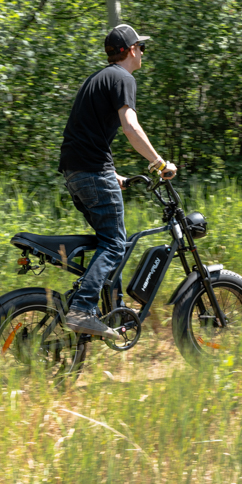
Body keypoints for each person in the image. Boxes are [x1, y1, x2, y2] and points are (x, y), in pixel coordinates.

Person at [58, 23, 177, 338]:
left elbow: (86, 135)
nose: (142, 53)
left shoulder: (97, 79)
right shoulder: (123, 77)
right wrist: (159, 162)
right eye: (141, 47)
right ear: (131, 50)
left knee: (110, 242)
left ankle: (112, 313)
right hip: (91, 172)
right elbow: (130, 126)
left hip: (77, 172)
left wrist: (113, 175)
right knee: (115, 243)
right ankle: (82, 308)